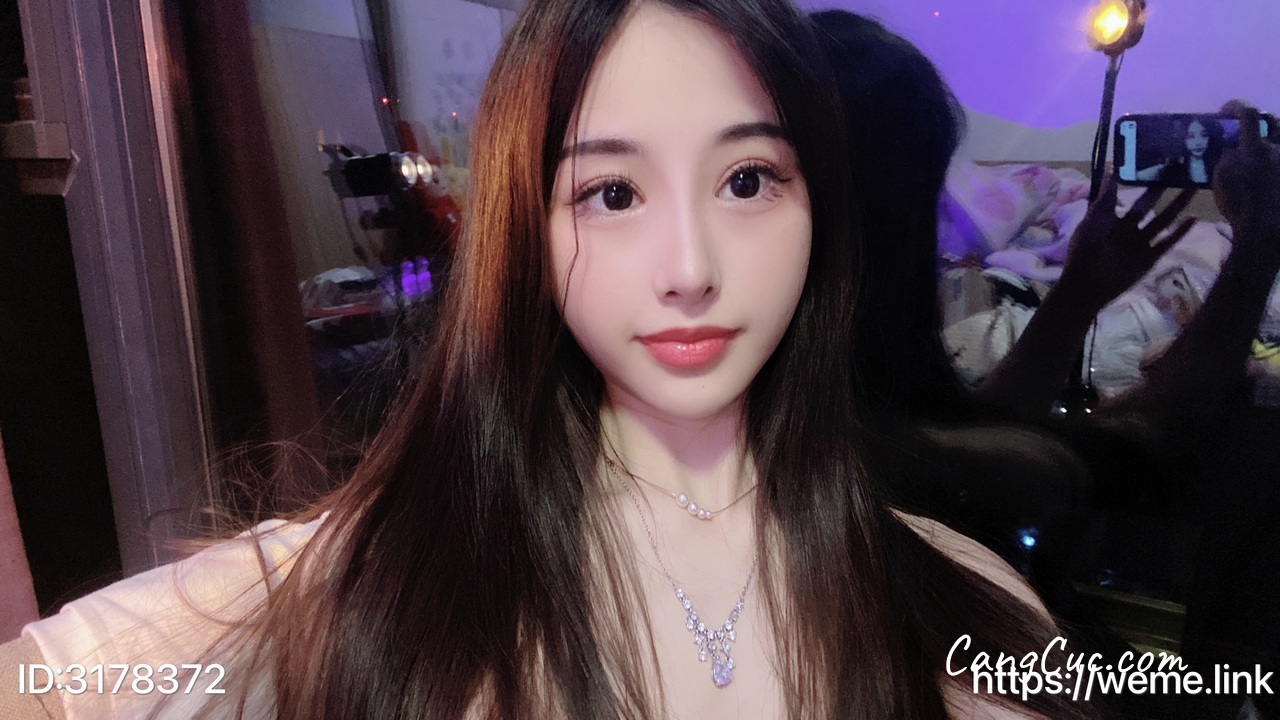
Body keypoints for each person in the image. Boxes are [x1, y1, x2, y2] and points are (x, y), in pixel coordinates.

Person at [0, 2, 1101, 718]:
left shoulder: (963, 602)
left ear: (821, 210)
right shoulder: (377, 578)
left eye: (747, 181)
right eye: (611, 193)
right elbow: (45, 685)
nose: (689, 269)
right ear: (525, 231)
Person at [1135, 116, 1227, 185]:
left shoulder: (1222, 165)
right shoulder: (1170, 168)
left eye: (1204, 135)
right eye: (1191, 136)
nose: (1198, 143)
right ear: (1182, 138)